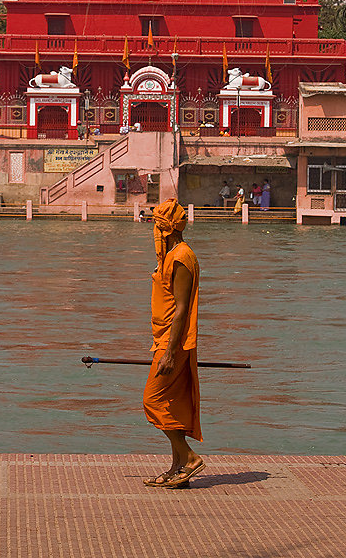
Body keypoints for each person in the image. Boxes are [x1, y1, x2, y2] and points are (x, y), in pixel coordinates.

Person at [143, 199, 204, 489]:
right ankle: (178, 468)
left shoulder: (181, 257)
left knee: (153, 400)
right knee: (172, 403)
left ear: (167, 229)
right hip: (164, 339)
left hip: (174, 343)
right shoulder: (168, 256)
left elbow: (181, 309)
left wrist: (169, 353)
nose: (153, 231)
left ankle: (190, 458)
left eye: (156, 225)